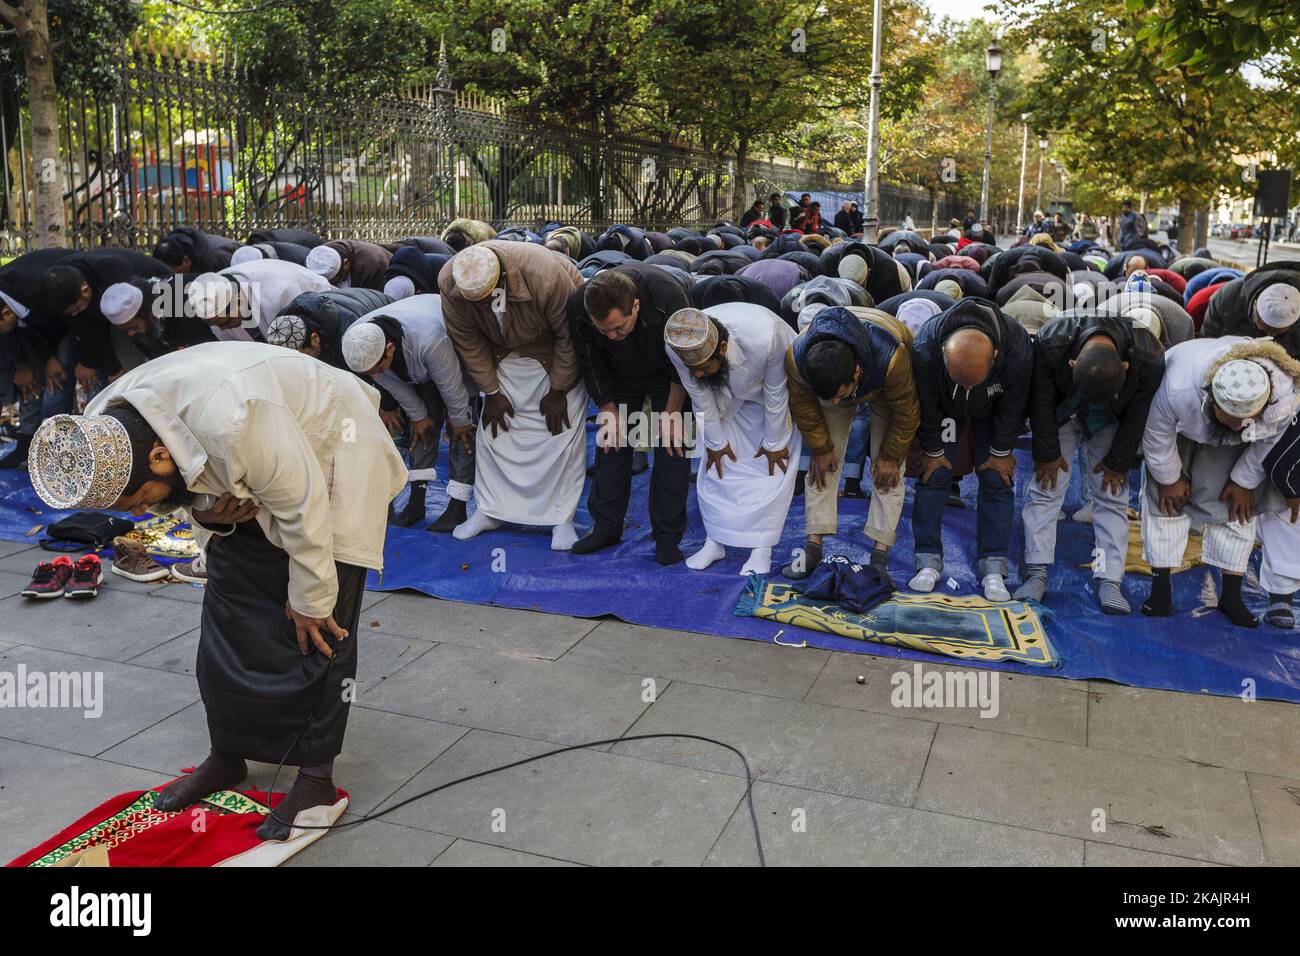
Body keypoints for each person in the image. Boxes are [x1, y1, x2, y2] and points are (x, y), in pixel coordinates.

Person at [27, 341, 407, 840]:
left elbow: (304, 505)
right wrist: (204, 514)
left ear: (161, 457)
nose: (143, 516)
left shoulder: (237, 421)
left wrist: (310, 598)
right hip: (246, 465)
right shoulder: (106, 422)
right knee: (228, 621)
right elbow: (189, 491)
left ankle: (316, 778)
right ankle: (227, 754)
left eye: (142, 500)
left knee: (317, 630)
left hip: (331, 450)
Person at [1139, 337, 1300, 626]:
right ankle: (1160, 590)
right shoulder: (1179, 388)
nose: (1237, 426)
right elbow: (1157, 433)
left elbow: (1269, 441)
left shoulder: (1282, 399)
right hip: (1182, 431)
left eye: (1244, 419)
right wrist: (1169, 478)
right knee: (1164, 503)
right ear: (1211, 397)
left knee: (1238, 510)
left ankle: (1231, 596)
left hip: (1245, 445)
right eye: (1230, 417)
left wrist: (1243, 481)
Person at [439, 241, 588, 550]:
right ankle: (491, 510)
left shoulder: (546, 276)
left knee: (561, 435)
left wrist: (559, 388)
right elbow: (468, 341)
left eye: (485, 300)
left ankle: (562, 518)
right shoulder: (450, 281)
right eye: (475, 302)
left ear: (502, 279)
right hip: (501, 353)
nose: (481, 307)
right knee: (496, 433)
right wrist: (491, 391)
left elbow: (569, 336)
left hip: (555, 352)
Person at [1015, 311, 1165, 613]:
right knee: (1047, 486)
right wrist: (1047, 451)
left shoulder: (1148, 357)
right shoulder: (1051, 341)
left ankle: (1109, 578)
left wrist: (1119, 460)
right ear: (1071, 365)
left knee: (1111, 493)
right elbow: (1041, 399)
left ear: (1126, 367)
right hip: (1064, 412)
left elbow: (1138, 413)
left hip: (1112, 419)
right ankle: (1037, 572)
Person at [780, 305, 920, 583]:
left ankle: (879, 556)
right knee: (822, 464)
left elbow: (906, 412)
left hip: (884, 383)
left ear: (856, 373)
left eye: (839, 396)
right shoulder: (798, 359)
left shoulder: (893, 359)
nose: (835, 403)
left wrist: (891, 455)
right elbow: (803, 405)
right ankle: (813, 546)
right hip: (837, 376)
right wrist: (820, 446)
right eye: (828, 398)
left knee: (889, 471)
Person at [909, 299, 1033, 602]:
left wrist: (1001, 450)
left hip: (993, 408)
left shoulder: (1017, 348)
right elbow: (927, 406)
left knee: (996, 478)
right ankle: (927, 560)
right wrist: (933, 448)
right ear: (942, 356)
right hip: (945, 408)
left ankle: (993, 566)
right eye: (960, 381)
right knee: (935, 472)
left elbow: (1013, 407)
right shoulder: (925, 347)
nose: (966, 388)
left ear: (995, 357)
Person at [567, 263, 691, 564]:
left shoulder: (666, 295)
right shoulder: (578, 305)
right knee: (612, 443)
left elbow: (684, 360)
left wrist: (672, 412)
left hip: (668, 373)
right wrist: (607, 408)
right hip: (619, 376)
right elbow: (589, 360)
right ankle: (606, 527)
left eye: (618, 327)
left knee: (672, 445)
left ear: (636, 306)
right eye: (603, 330)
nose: (611, 335)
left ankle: (667, 537)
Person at [664, 304, 800, 574]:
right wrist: (716, 443)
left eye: (703, 367)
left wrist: (774, 444)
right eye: (693, 369)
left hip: (771, 393)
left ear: (723, 348)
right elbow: (699, 396)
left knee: (771, 467)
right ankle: (715, 540)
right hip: (722, 397)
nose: (697, 374)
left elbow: (776, 395)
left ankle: (762, 549)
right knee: (717, 464)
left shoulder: (767, 337)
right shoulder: (677, 346)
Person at [341, 295, 477, 532]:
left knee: (462, 434)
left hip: (455, 353)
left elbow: (451, 385)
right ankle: (416, 504)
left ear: (390, 349)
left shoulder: (429, 340)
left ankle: (458, 507)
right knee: (421, 430)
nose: (377, 375)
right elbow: (387, 380)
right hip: (414, 362)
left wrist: (459, 419)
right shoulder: (357, 341)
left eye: (380, 368)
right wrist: (418, 415)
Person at [186, 258, 330, 341]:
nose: (223, 329)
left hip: (324, 313)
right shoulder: (212, 291)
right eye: (216, 325)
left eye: (226, 322)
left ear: (237, 300)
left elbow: (306, 343)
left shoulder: (280, 292)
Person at [1201, 269, 1300, 360]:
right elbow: (1207, 343)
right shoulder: (1225, 302)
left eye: (1278, 332)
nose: (1270, 336)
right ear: (1254, 310)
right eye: (1264, 328)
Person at [304, 239, 393, 290]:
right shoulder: (319, 254)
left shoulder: (371, 265)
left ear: (346, 264)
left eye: (335, 281)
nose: (332, 284)